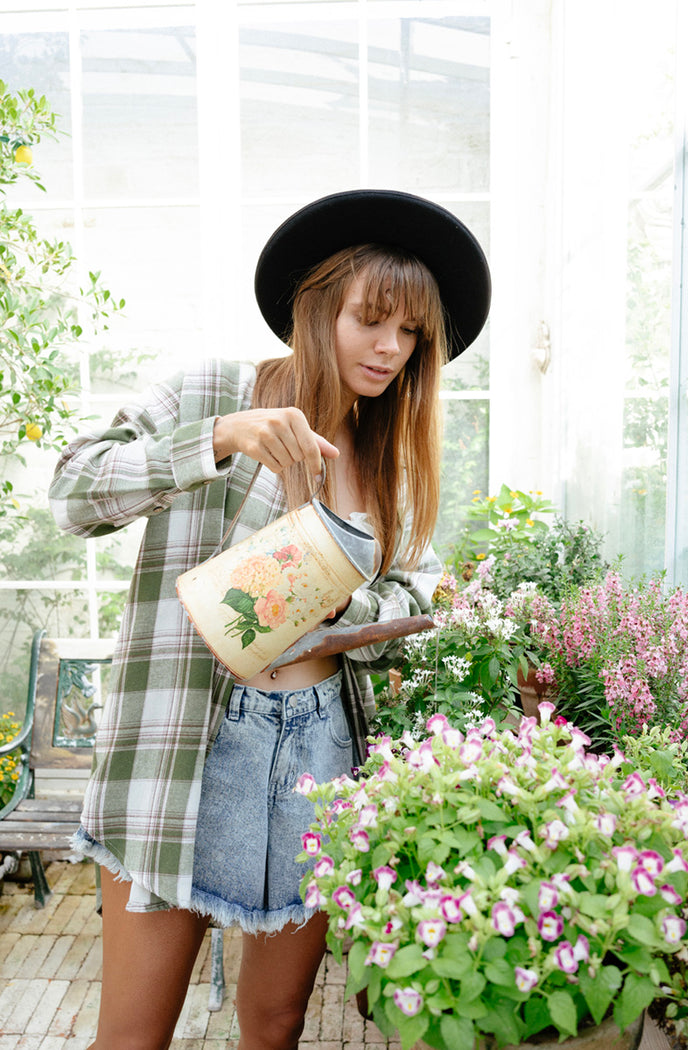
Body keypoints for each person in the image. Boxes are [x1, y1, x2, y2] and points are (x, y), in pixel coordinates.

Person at [48, 188, 490, 1050]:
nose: (391, 348)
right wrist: (220, 437)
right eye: (372, 319)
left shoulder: (389, 456)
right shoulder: (216, 392)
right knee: (134, 1033)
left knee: (277, 1021)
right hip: (188, 744)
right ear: (316, 304)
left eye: (411, 335)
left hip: (319, 751)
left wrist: (347, 604)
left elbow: (416, 591)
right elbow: (72, 494)